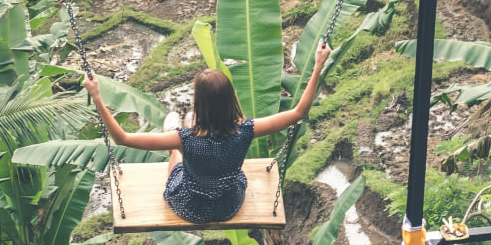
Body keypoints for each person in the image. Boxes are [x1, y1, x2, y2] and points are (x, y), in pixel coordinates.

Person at [82, 39, 332, 223]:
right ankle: (186, 127)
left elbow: (122, 138)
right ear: (230, 99)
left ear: (200, 101)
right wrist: (318, 65)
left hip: (191, 206)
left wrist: (97, 97)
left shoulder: (184, 139)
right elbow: (299, 112)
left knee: (176, 145)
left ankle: (177, 130)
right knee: (188, 132)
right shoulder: (246, 130)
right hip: (228, 204)